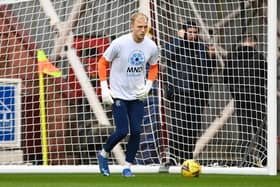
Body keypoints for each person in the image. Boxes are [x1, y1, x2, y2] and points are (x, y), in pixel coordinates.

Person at [97, 12, 159, 177]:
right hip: (118, 94)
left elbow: (154, 66)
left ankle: (127, 166)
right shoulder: (119, 43)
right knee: (123, 130)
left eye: (145, 27)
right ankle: (103, 154)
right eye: (139, 27)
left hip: (137, 95)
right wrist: (104, 86)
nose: (142, 30)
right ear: (132, 26)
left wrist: (148, 85)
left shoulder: (151, 46)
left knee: (137, 131)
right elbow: (102, 62)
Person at [163, 21, 217, 164]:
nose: (193, 35)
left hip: (197, 93)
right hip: (180, 92)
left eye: (195, 32)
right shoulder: (176, 44)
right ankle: (173, 157)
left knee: (193, 127)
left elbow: (208, 71)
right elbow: (166, 54)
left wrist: (212, 58)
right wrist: (179, 38)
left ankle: (188, 157)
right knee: (178, 126)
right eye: (190, 32)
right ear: (184, 32)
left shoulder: (201, 48)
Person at [224, 35, 267, 167]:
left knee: (244, 132)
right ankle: (264, 160)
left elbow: (226, 78)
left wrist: (235, 93)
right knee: (261, 131)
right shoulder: (259, 57)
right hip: (257, 99)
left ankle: (245, 161)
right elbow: (265, 76)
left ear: (242, 42)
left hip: (241, 99)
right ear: (254, 43)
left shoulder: (232, 57)